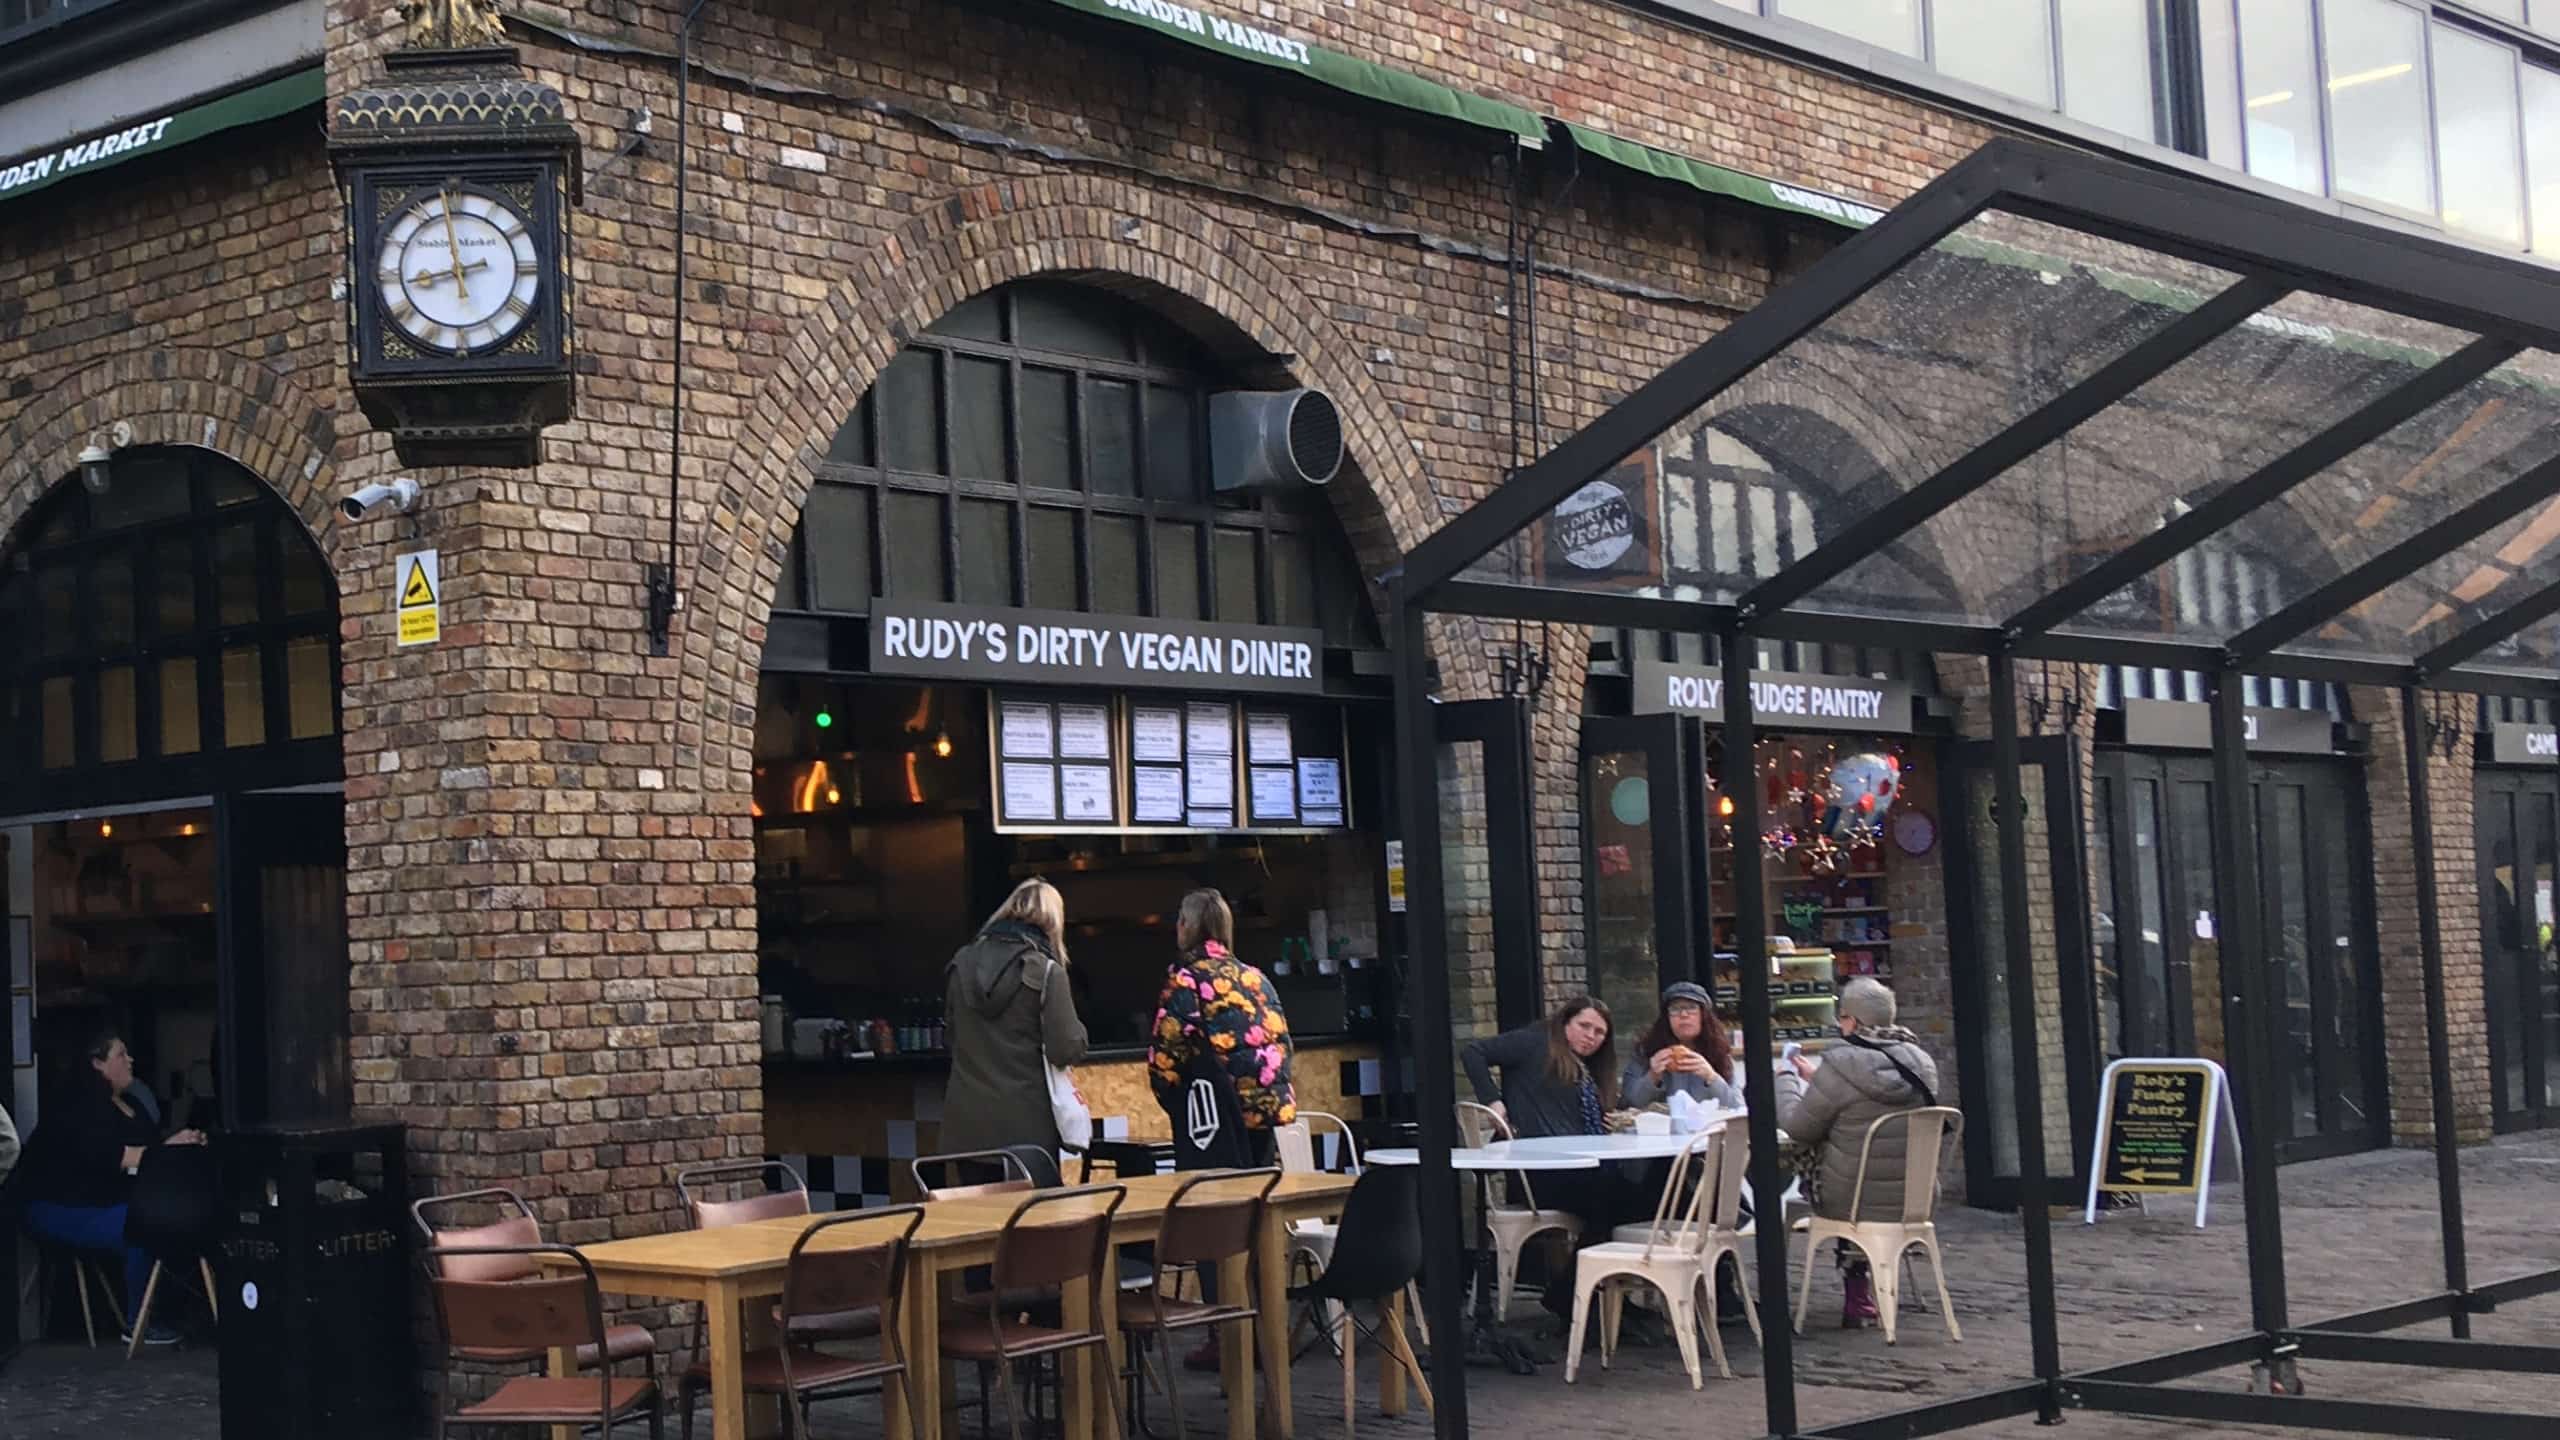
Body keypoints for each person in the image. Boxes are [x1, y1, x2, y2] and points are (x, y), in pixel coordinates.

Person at [1147, 887, 1294, 1368]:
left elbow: (1165, 1058)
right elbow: (1281, 1043)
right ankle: (1265, 1329)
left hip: (1216, 1121)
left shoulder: (1187, 980)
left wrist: (1180, 1106)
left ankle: (1227, 1336)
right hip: (1264, 1114)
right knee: (1253, 1222)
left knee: (1214, 1229)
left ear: (1188, 927)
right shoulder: (1257, 978)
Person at [15, 1030, 205, 1346]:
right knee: (140, 1224)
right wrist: (170, 1148)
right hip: (56, 1206)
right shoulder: (80, 1108)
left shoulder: (131, 1104)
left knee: (165, 1216)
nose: (130, 1060)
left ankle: (171, 1310)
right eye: (120, 1054)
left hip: (99, 1201)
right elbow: (120, 1157)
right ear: (98, 1065)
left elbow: (149, 1151)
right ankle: (139, 1323)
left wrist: (179, 1144)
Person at [1462, 996, 1640, 1327]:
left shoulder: (1586, 1068)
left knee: (1642, 1195)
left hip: (1581, 1167)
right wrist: (1494, 1101)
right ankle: (1575, 1295)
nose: (1591, 1036)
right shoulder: (1535, 1041)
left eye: (1600, 1033)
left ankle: (1590, 1292)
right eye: (1584, 1026)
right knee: (1618, 1201)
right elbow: (1473, 1052)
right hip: (1539, 1173)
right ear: (1565, 1022)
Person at [1774, 977, 1940, 1328]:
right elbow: (1868, 1092)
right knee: (1854, 1169)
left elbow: (1797, 1127)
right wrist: (1819, 1078)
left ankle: (1857, 1296)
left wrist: (1786, 1080)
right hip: (1915, 1196)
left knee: (1831, 1172)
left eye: (1843, 1017)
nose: (1840, 1024)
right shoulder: (1920, 1062)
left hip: (1849, 1197)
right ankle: (1875, 1289)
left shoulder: (1841, 1066)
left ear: (1854, 1022)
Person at [939, 879, 1088, 1158]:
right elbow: (1065, 1048)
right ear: (1053, 922)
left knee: (973, 1203)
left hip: (966, 1127)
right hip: (1026, 1131)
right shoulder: (1046, 972)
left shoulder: (961, 964)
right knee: (1028, 1204)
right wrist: (1080, 1033)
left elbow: (951, 1037)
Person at [1620, 980, 1740, 1110]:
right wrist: (1652, 1076)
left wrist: (1711, 1077)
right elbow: (1629, 1103)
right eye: (1675, 1009)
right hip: (1659, 1128)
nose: (1683, 1015)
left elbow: (1738, 1106)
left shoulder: (1718, 1053)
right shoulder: (1646, 1052)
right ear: (1667, 1018)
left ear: (1703, 1016)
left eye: (1691, 1007)